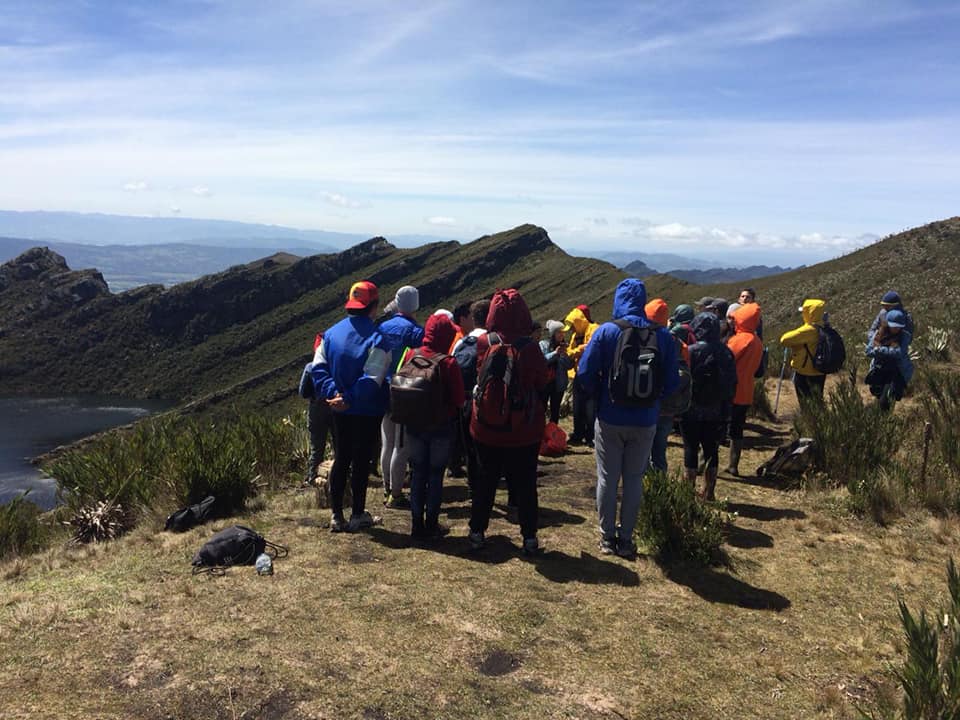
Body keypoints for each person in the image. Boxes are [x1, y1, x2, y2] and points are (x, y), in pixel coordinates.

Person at [578, 280, 679, 557]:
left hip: (610, 416)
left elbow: (585, 374)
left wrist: (601, 396)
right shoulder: (664, 336)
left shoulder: (607, 331)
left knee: (608, 478)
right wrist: (653, 399)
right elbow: (672, 383)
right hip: (646, 419)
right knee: (634, 478)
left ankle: (607, 538)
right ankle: (626, 539)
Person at [468, 289, 548, 556]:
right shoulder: (531, 347)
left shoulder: (484, 342)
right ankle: (529, 538)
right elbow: (540, 382)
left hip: (486, 426)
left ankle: (477, 532)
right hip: (523, 429)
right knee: (525, 482)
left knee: (485, 479)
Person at [311, 280, 391, 532]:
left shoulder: (330, 334)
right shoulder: (379, 338)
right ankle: (357, 513)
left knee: (341, 458)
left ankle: (336, 515)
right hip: (366, 410)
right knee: (361, 460)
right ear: (374, 306)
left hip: (337, 409)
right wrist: (350, 397)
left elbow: (318, 368)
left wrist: (334, 395)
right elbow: (373, 377)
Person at [398, 313, 465, 539]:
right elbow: (458, 400)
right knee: (435, 476)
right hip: (441, 426)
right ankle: (432, 525)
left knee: (418, 473)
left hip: (414, 424)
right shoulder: (448, 362)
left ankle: (416, 526)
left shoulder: (410, 354)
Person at [681, 312, 737, 501]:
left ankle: (687, 491)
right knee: (711, 449)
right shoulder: (726, 352)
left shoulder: (690, 351)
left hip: (691, 408)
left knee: (690, 447)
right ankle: (709, 491)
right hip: (716, 409)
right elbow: (732, 382)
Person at [377, 286, 424, 509]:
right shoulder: (416, 332)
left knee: (386, 442)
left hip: (382, 389)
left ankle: (386, 488)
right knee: (401, 446)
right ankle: (395, 495)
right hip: (404, 390)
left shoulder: (382, 327)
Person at [644, 298, 690, 476]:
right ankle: (659, 481)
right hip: (669, 405)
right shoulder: (678, 343)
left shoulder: (643, 338)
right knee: (660, 446)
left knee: (643, 446)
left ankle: (644, 483)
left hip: (647, 401)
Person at [725, 303, 764, 475]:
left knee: (717, 428)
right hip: (746, 391)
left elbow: (725, 359)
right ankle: (733, 464)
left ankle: (704, 462)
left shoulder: (740, 339)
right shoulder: (756, 341)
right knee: (737, 429)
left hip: (731, 390)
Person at [564, 304, 599, 446]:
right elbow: (570, 352)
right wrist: (579, 350)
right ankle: (578, 434)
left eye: (573, 325)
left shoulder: (594, 329)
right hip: (578, 374)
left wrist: (576, 351)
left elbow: (589, 348)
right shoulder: (575, 335)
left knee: (591, 408)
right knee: (578, 406)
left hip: (593, 374)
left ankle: (591, 436)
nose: (572, 329)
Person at [865, 309, 914, 411]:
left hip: (896, 372)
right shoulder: (879, 334)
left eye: (899, 326)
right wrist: (889, 350)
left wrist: (880, 349)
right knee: (880, 397)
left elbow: (899, 353)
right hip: (879, 370)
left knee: (887, 398)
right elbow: (868, 351)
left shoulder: (904, 336)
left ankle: (883, 420)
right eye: (894, 326)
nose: (896, 329)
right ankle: (881, 419)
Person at [779, 299, 827, 400]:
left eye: (804, 312)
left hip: (805, 371)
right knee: (818, 399)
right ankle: (820, 415)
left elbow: (784, 339)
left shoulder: (807, 330)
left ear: (809, 313)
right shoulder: (825, 328)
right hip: (821, 370)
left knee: (805, 401)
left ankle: (807, 416)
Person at [304, 330, 336, 484]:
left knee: (317, 445)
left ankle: (313, 476)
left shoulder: (310, 367)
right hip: (334, 406)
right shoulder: (336, 365)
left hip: (316, 408)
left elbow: (303, 392)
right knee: (338, 442)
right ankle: (339, 473)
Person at [540, 320, 571, 424]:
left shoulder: (564, 346)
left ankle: (553, 435)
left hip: (559, 384)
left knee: (555, 411)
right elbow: (541, 361)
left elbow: (569, 366)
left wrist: (565, 355)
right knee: (541, 409)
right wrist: (554, 353)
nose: (562, 334)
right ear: (553, 333)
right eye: (559, 332)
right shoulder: (543, 344)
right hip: (545, 383)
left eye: (563, 332)